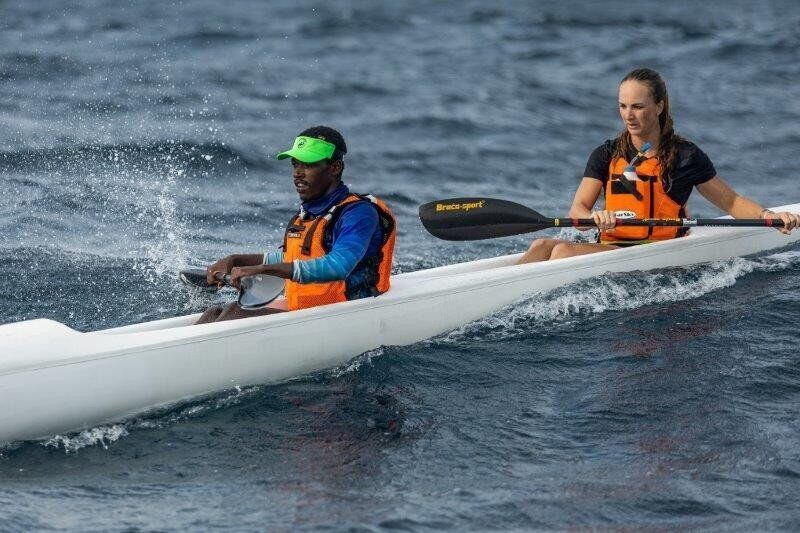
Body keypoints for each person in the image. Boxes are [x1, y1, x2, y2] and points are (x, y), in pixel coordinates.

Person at [518, 68, 799, 264]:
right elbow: (577, 210)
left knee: (562, 253)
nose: (629, 115)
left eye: (637, 106)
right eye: (623, 106)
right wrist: (595, 217)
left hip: (655, 249)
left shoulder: (685, 156)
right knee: (542, 246)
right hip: (611, 244)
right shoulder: (606, 153)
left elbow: (730, 201)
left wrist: (769, 217)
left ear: (659, 107)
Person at [197, 126, 396, 324]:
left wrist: (263, 269)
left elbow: (339, 266)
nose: (297, 173)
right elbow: (294, 258)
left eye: (307, 165)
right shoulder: (307, 215)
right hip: (311, 312)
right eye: (295, 164)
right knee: (214, 314)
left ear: (335, 168)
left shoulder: (359, 213)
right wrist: (237, 260)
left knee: (234, 312)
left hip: (348, 313)